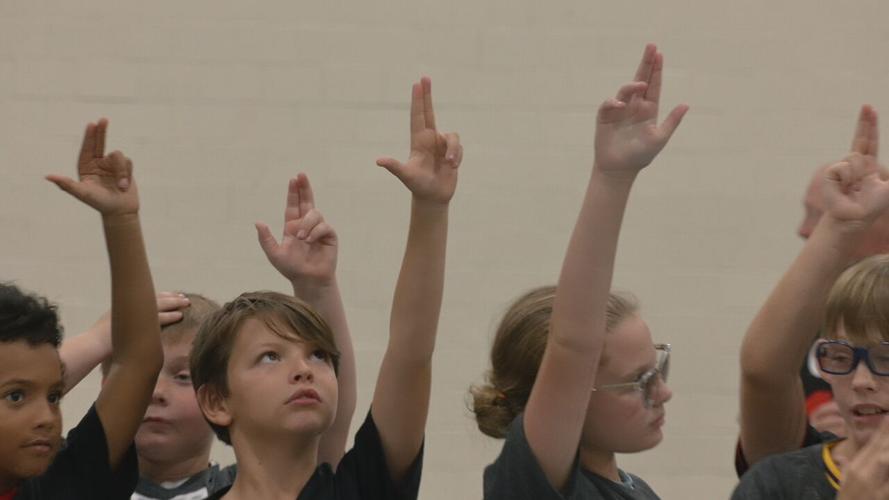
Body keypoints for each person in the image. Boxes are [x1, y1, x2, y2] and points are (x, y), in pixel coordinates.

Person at [192, 75, 462, 499]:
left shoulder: (363, 489)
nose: (304, 370)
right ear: (216, 402)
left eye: (318, 355)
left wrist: (430, 208)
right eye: (269, 357)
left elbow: (410, 354)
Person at [474, 43, 687, 499]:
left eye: (658, 371)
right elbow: (573, 345)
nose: (663, 394)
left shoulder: (638, 490)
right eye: (640, 382)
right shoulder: (532, 482)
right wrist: (613, 176)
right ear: (568, 395)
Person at [0, 118, 163, 499]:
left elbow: (138, 362)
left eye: (55, 396)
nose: (46, 419)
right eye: (16, 397)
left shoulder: (59, 486)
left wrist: (121, 219)